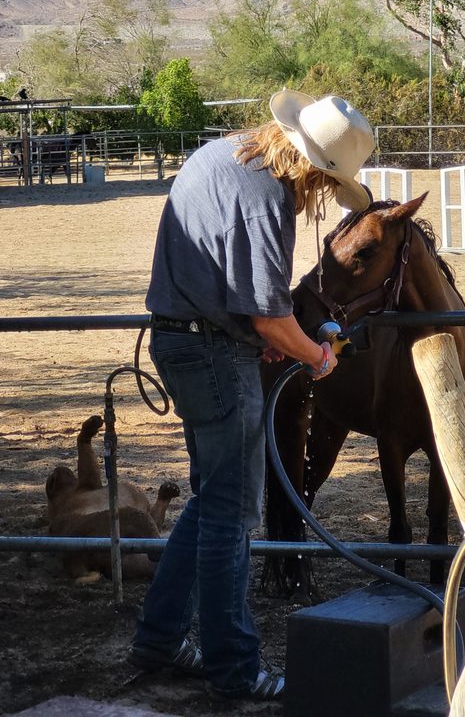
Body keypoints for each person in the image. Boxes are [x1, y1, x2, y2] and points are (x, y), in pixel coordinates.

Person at [129, 90, 375, 702]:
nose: (322, 195)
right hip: (212, 355)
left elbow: (243, 296)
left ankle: (159, 640)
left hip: (185, 341)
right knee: (233, 514)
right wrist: (314, 353)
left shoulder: (220, 155)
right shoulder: (268, 195)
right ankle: (235, 670)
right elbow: (269, 317)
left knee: (211, 503)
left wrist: (262, 333)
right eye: (328, 184)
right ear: (317, 172)